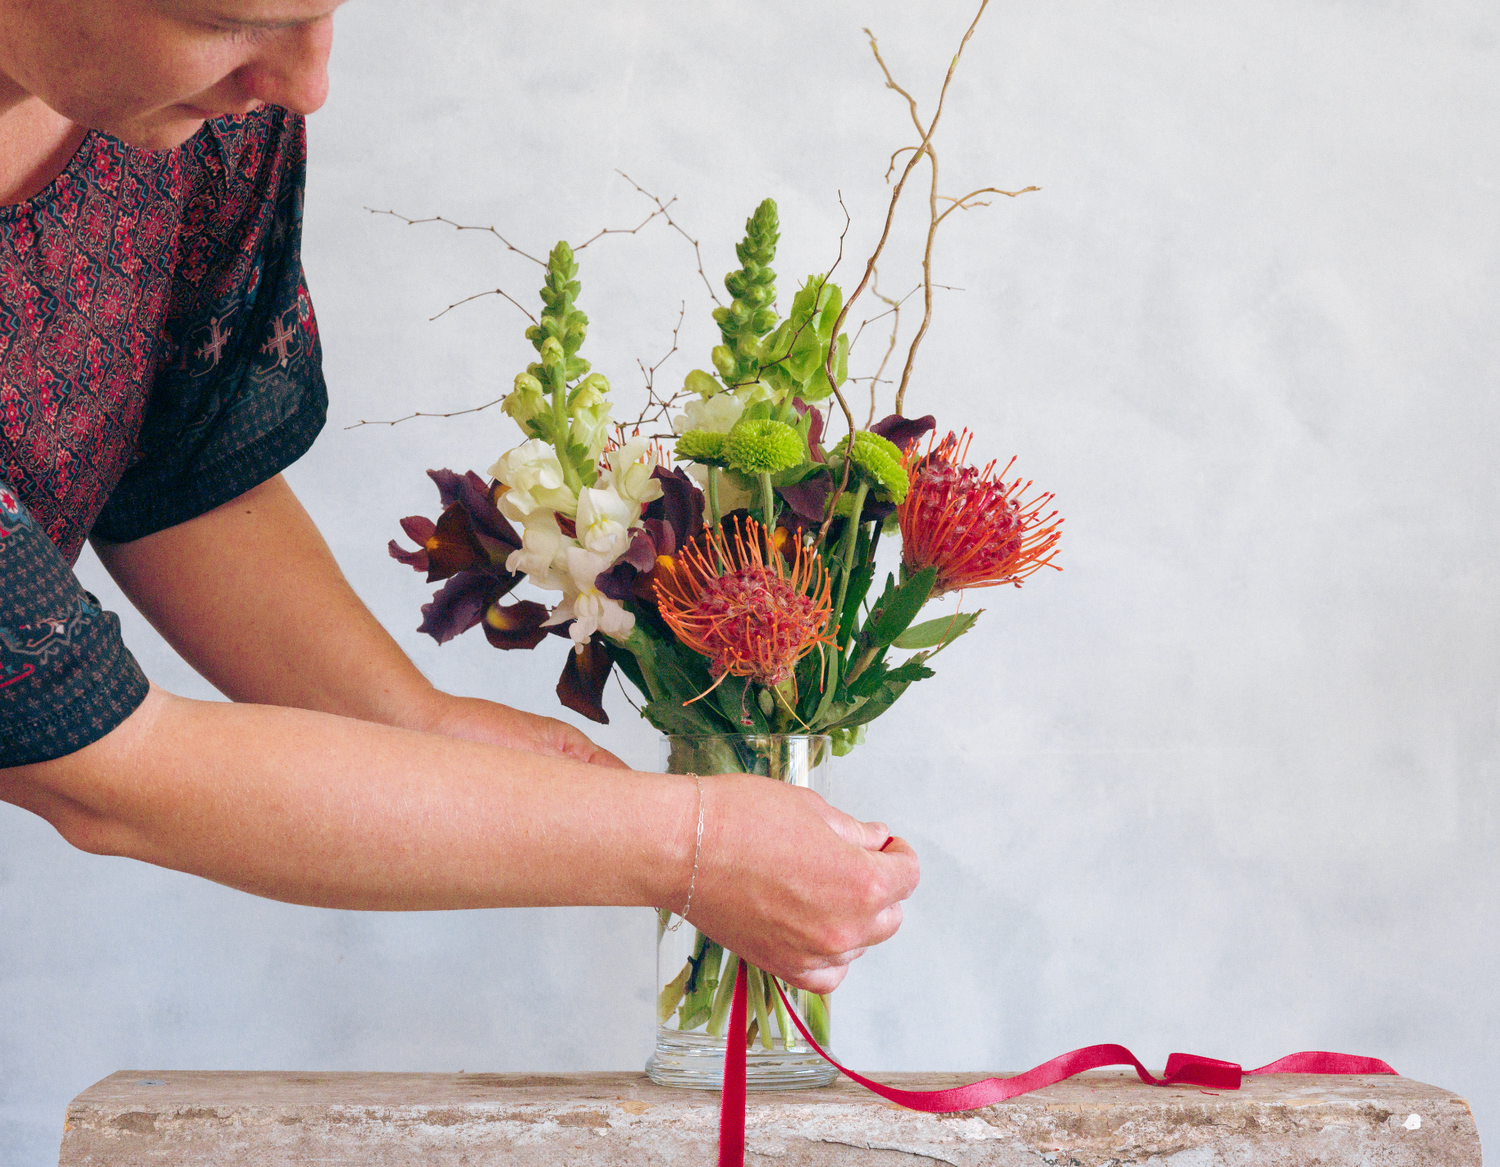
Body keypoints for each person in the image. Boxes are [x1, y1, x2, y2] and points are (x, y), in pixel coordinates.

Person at [0, 0, 918, 994]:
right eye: (230, 20)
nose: (307, 83)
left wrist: (411, 718)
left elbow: (174, 460)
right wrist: (690, 847)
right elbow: (106, 771)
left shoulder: (199, 112)